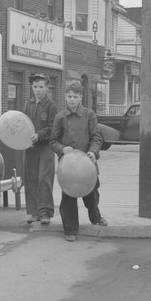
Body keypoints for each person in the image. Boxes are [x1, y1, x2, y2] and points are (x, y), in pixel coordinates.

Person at [50, 81, 107, 242]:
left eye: (75, 96)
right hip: (68, 166)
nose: (72, 100)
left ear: (81, 97)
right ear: (65, 97)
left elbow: (96, 137)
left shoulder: (89, 115)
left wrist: (93, 151)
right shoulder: (60, 117)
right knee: (68, 198)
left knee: (92, 193)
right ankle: (70, 229)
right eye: (69, 96)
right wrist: (61, 149)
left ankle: (95, 217)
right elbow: (53, 141)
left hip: (88, 164)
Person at [22, 73, 58, 225]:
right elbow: (22, 124)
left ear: (47, 87)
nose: (38, 90)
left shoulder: (51, 106)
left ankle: (45, 213)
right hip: (30, 148)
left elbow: (53, 128)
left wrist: (39, 135)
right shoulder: (28, 105)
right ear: (31, 87)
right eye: (35, 87)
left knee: (44, 179)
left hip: (46, 148)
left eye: (41, 87)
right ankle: (34, 212)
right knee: (31, 179)